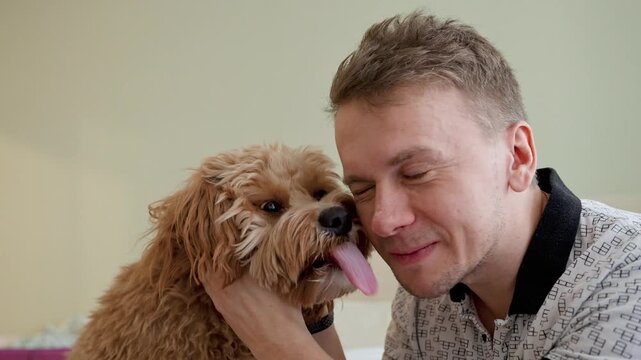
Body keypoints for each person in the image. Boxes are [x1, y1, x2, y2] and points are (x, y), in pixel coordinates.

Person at [204, 11, 641, 359]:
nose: (384, 221)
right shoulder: (425, 293)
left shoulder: (627, 280)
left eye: (416, 173)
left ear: (519, 157)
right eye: (363, 189)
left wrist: (278, 344)